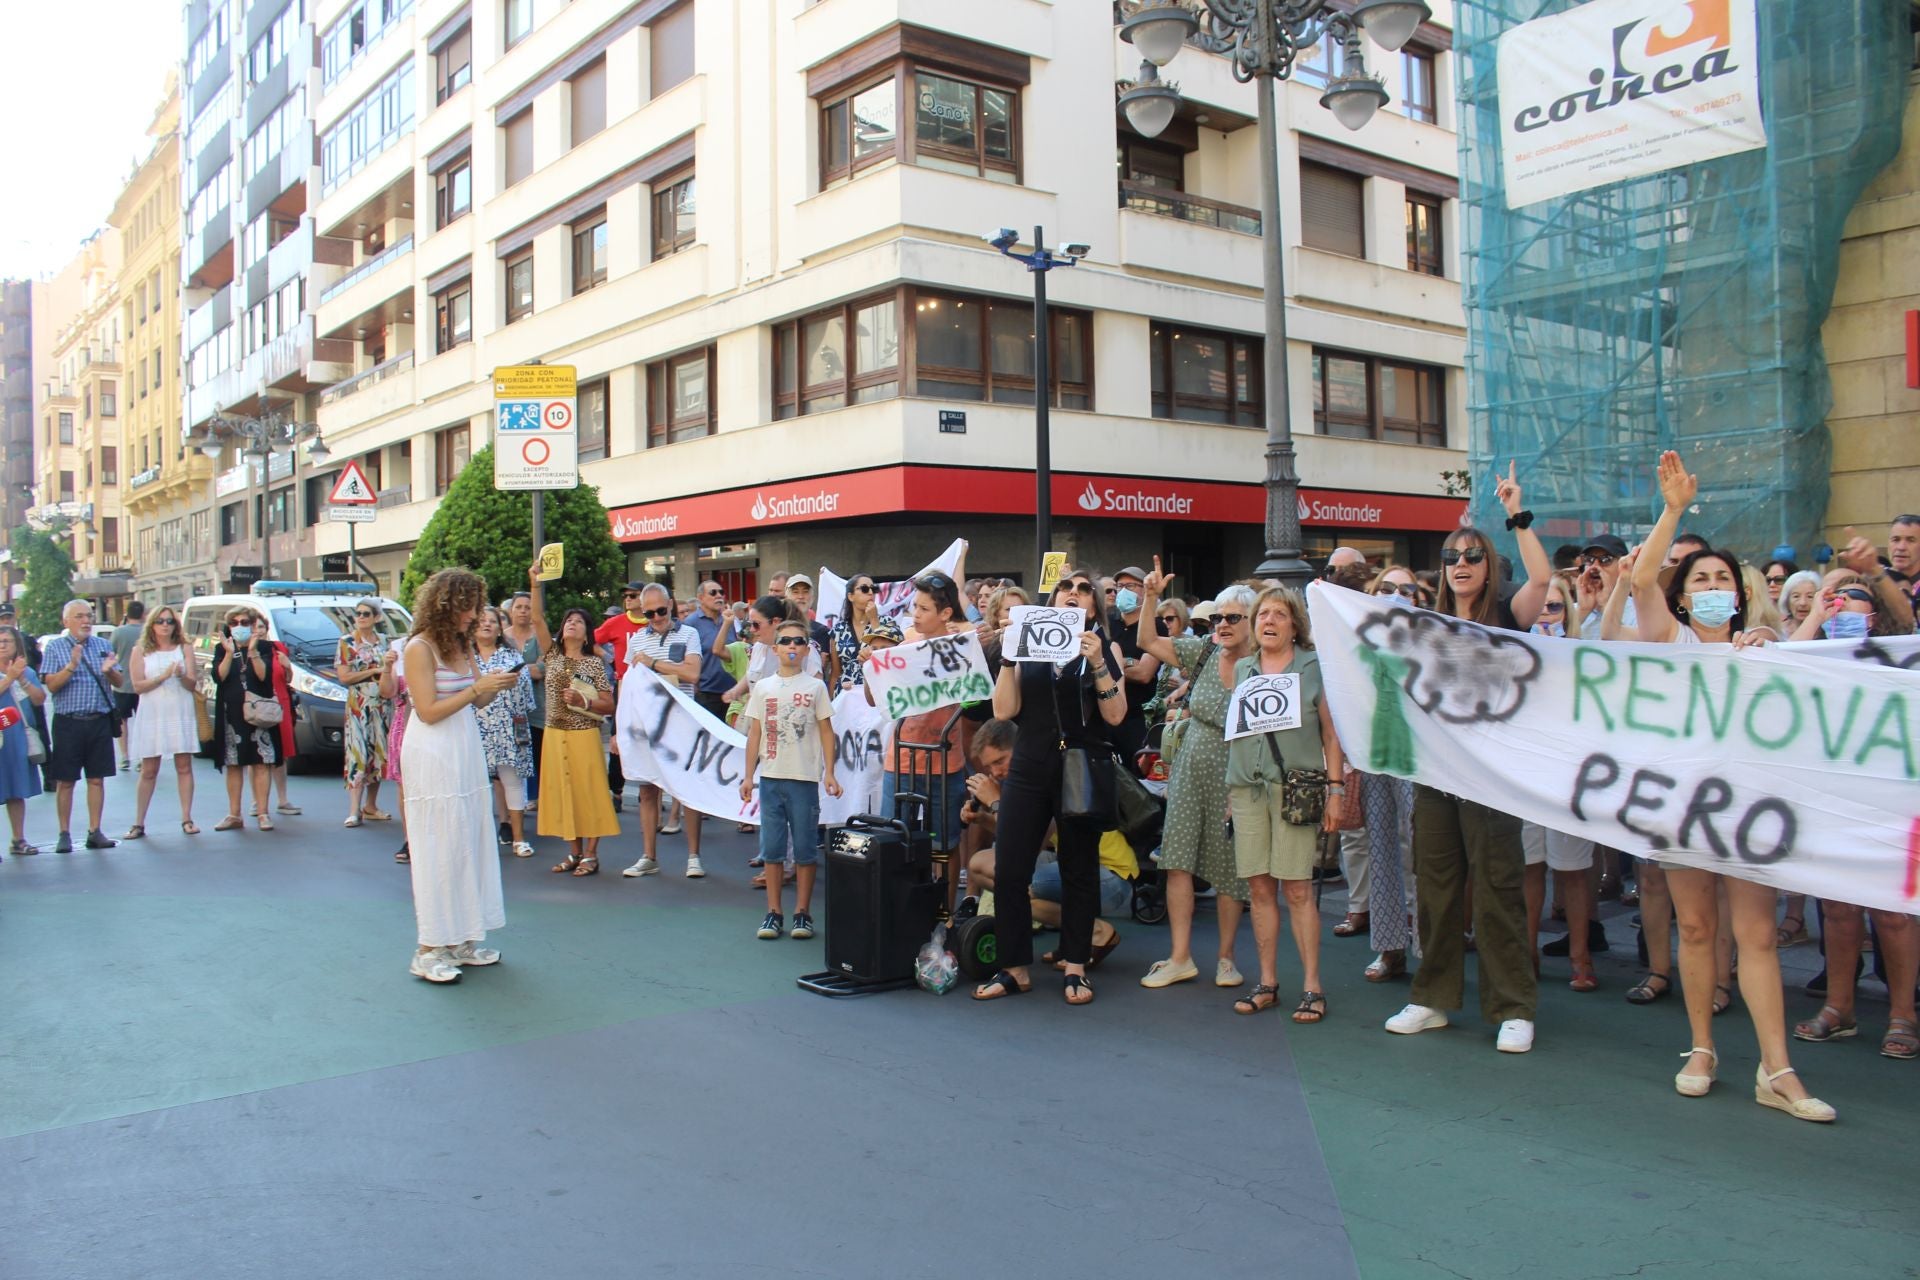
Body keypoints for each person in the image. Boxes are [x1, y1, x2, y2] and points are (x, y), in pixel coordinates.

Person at [1628, 450, 1832, 1119]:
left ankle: (1777, 1069)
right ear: (1683, 597)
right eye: (1700, 578)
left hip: (1749, 811)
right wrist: (1673, 510)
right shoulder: (1669, 640)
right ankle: (1702, 1047)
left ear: (1739, 595)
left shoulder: (1764, 650)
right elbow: (1641, 586)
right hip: (1686, 810)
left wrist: (1768, 648)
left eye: (1724, 577)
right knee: (1694, 926)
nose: (1713, 584)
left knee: (1759, 935)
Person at [1384, 463, 1551, 1054]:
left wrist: (1514, 515)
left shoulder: (1508, 614)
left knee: (1499, 888)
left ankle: (1513, 1006)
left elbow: (1543, 577)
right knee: (1436, 889)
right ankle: (1432, 998)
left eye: (1473, 556)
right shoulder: (1424, 624)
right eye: (1453, 555)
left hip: (1490, 779)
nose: (1461, 563)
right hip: (1436, 775)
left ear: (1489, 566)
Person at [974, 568, 1128, 1006]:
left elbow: (1116, 715)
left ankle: (1076, 965)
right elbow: (1004, 711)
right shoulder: (1029, 644)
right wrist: (1007, 658)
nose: (1074, 594)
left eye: (1084, 590)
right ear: (1054, 599)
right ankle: (1013, 967)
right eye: (1066, 587)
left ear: (1095, 604)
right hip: (1030, 762)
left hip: (1080, 764)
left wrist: (1098, 662)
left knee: (1077, 868)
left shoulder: (1104, 645)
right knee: (1010, 865)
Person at [1222, 587, 1344, 1021]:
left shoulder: (1314, 668)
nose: (1268, 621)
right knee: (1258, 889)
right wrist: (1230, 795)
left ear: (1295, 624)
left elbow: (1331, 734)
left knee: (1296, 888)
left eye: (1278, 614)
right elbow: (1238, 733)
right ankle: (1267, 981)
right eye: (1262, 615)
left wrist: (1336, 790)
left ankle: (1313, 986)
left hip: (1295, 790)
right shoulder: (1244, 669)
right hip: (1247, 790)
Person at [1134, 565, 1255, 993]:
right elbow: (1147, 641)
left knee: (1227, 869)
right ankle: (1180, 957)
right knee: (1177, 860)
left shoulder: (1262, 666)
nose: (1221, 624)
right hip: (1190, 766)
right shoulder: (1202, 650)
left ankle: (1226, 959)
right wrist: (1150, 596)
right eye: (1217, 617)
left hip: (1235, 771)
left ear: (1252, 622)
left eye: (1232, 618)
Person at [400, 569, 520, 984]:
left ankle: (463, 938)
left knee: (468, 837)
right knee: (439, 842)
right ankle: (429, 947)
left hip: (465, 747)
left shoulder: (462, 644)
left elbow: (480, 699)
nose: (475, 615)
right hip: (433, 751)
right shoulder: (419, 648)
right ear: (447, 605)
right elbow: (428, 711)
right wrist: (475, 690)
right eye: (469, 606)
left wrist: (497, 685)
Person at [739, 617, 842, 940]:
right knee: (771, 849)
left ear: (807, 648)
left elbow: (827, 731)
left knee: (806, 848)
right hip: (770, 778)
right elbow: (754, 733)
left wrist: (830, 772)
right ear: (775, 648)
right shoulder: (765, 687)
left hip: (804, 779)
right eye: (786, 641)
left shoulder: (815, 687)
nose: (792, 647)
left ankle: (802, 912)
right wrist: (747, 776)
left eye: (799, 641)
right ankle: (773, 911)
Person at [527, 564, 619, 875]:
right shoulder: (552, 654)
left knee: (588, 792)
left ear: (587, 630)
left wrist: (584, 700)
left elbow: (608, 703)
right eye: (569, 620)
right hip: (554, 733)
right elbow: (537, 619)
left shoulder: (593, 664)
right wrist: (535, 585)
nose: (572, 624)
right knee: (563, 792)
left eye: (579, 622)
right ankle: (574, 852)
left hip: (583, 734)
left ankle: (591, 854)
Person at [618, 583, 706, 879]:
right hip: (648, 724)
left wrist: (654, 663)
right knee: (646, 790)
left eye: (661, 610)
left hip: (681, 722)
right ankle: (649, 856)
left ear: (670, 604)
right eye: (649, 613)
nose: (656, 617)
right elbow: (626, 686)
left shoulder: (689, 633)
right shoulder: (637, 640)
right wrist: (621, 727)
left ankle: (694, 856)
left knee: (689, 789)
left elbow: (693, 673)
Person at [40, 599, 128, 852]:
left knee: (96, 779)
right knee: (65, 781)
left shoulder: (102, 645)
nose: (86, 621)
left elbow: (119, 681)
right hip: (69, 722)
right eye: (79, 616)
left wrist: (110, 671)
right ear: (66, 621)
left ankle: (95, 830)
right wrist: (71, 665)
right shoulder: (56, 647)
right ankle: (64, 833)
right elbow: (52, 686)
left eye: (88, 616)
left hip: (98, 721)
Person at [123, 606, 201, 838]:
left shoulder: (184, 648)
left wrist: (180, 676)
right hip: (153, 712)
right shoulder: (140, 651)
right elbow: (138, 686)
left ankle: (187, 818)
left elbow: (192, 684)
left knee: (184, 766)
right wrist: (162, 677)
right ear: (152, 625)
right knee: (149, 769)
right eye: (160, 621)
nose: (165, 625)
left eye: (170, 621)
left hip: (179, 709)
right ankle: (139, 822)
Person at [209, 607, 282, 832]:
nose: (239, 626)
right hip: (231, 713)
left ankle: (263, 813)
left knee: (261, 763)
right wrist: (229, 653)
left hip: (259, 714)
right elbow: (218, 677)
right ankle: (234, 814)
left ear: (252, 625)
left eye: (244, 622)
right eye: (234, 622)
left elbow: (263, 676)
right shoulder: (222, 649)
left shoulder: (265, 647)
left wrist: (252, 652)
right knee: (233, 764)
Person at [473, 606, 535, 859]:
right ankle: (478, 840)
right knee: (474, 784)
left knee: (513, 782)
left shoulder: (511, 656)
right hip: (474, 726)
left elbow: (527, 699)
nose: (487, 624)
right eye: (482, 621)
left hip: (508, 726)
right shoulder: (463, 657)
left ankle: (519, 838)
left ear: (500, 627)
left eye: (492, 621)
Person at [337, 600, 395, 827]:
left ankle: (371, 805)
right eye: (358, 614)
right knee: (357, 753)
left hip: (381, 704)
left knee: (378, 755)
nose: (361, 617)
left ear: (376, 617)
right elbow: (344, 676)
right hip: (358, 705)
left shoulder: (383, 642)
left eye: (366, 613)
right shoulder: (347, 642)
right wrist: (374, 671)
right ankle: (353, 810)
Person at [0, 625, 47, 856]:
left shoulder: (26, 671)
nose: (2, 645)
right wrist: (9, 677)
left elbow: (40, 699)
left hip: (17, 735)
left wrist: (22, 678)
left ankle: (18, 839)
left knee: (15, 789)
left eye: (7, 641)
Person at [1109, 565, 1158, 766]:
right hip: (1109, 714)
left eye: (1130, 585)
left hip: (1138, 718)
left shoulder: (1156, 626)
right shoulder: (1108, 624)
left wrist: (1112, 664)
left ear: (1144, 590)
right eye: (1119, 586)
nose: (1122, 591)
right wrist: (1128, 662)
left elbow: (1144, 673)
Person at [504, 591, 545, 806]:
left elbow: (542, 669)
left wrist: (514, 671)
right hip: (506, 707)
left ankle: (540, 798)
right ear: (511, 611)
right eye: (518, 607)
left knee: (538, 753)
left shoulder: (539, 636)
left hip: (536, 706)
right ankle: (514, 803)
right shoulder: (502, 637)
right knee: (509, 756)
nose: (523, 611)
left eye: (527, 607)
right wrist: (529, 669)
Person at [110, 599, 146, 771]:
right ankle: (142, 757)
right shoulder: (147, 632)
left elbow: (111, 654)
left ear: (127, 614)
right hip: (144, 683)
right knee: (143, 721)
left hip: (122, 684)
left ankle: (125, 756)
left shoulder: (119, 632)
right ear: (143, 614)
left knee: (122, 721)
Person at [830, 573, 880, 694]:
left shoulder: (887, 623)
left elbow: (884, 654)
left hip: (875, 693)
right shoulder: (838, 630)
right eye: (864, 589)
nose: (870, 593)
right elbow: (836, 673)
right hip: (847, 695)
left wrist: (874, 620)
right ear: (851, 596)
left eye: (873, 589)